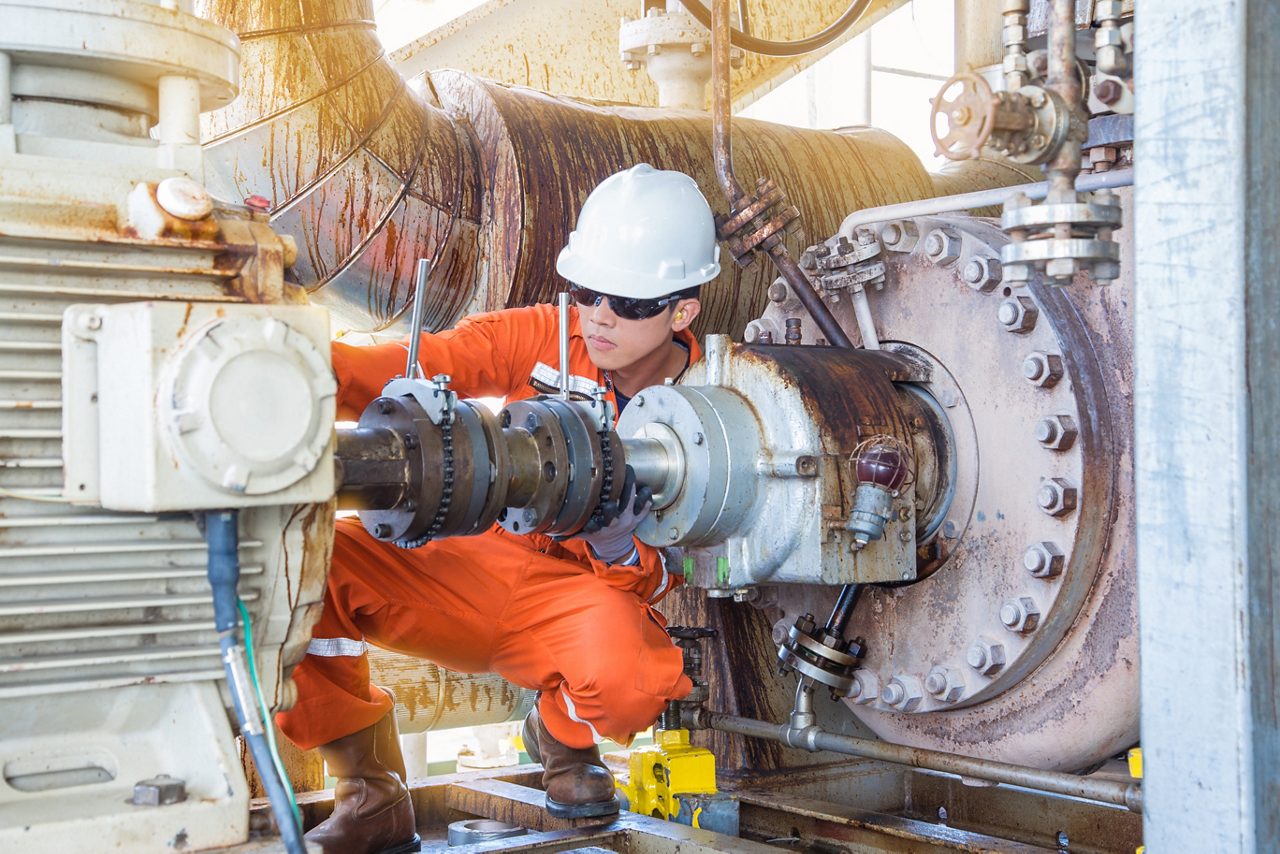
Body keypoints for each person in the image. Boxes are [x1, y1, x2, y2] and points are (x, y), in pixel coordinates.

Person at [277, 163, 723, 854]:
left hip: (575, 597)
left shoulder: (713, 416)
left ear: (681, 312)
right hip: (466, 561)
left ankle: (564, 737)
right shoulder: (545, 335)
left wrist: (613, 546)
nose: (600, 315)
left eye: (630, 304)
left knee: (635, 681)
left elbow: (675, 577)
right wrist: (276, 360)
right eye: (587, 291)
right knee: (291, 567)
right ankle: (372, 792)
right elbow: (405, 368)